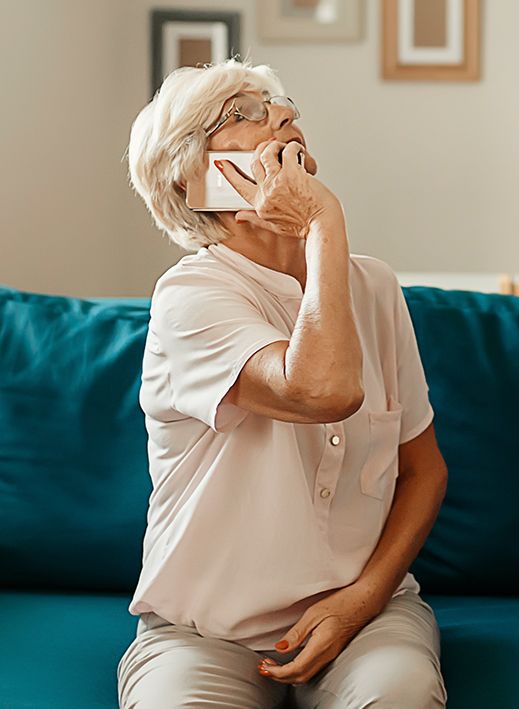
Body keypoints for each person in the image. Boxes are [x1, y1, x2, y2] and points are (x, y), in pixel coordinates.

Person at [119, 58, 448, 708]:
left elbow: (423, 470)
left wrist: (362, 599)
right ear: (191, 177)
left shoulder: (374, 288)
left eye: (280, 105)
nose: (283, 116)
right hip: (203, 630)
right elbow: (319, 388)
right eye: (242, 114)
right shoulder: (189, 296)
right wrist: (323, 223)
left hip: (367, 616)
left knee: (401, 696)